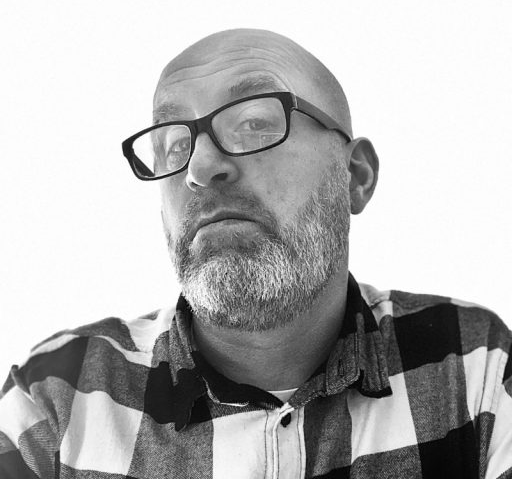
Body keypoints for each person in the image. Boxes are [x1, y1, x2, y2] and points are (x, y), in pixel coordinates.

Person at [1, 29, 511, 479]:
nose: (199, 168)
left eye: (254, 123)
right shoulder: (56, 397)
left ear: (355, 177)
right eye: (174, 145)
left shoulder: (473, 367)